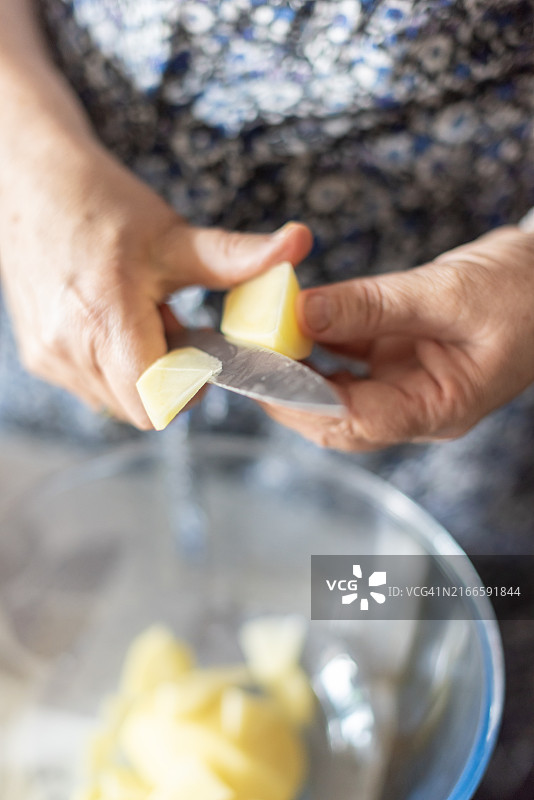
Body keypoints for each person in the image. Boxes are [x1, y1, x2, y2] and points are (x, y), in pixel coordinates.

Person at [0, 2, 534, 795]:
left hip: (455, 349)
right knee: (66, 603)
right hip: (67, 274)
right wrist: (22, 152)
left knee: (483, 596)